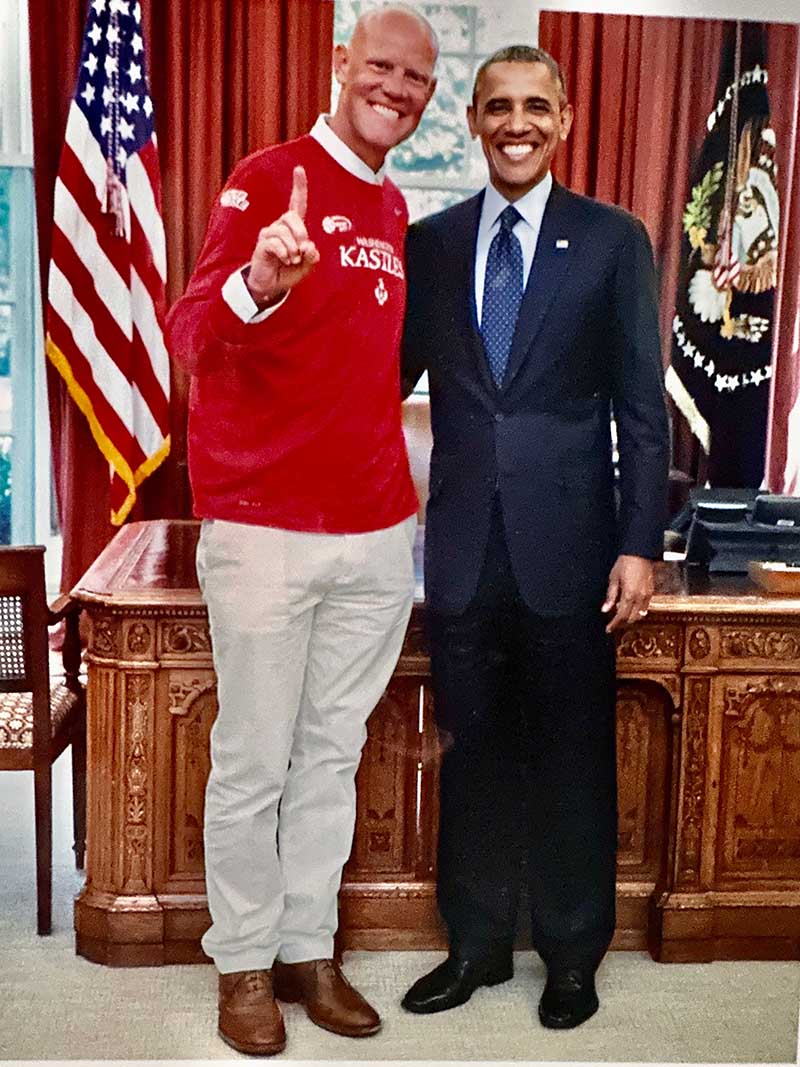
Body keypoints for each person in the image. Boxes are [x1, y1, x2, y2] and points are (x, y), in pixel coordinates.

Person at [165, 6, 437, 1057]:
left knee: (332, 756)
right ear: (339, 64)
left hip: (374, 530)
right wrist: (259, 280)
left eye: (416, 79)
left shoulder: (394, 205)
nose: (396, 89)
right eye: (381, 67)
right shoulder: (269, 177)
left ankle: (305, 948)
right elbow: (192, 333)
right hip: (264, 526)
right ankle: (242, 960)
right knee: (253, 761)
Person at [400, 45, 670, 1029]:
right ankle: (473, 944)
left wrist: (639, 542)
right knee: (472, 753)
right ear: (472, 120)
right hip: (463, 548)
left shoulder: (612, 239)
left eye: (535, 107)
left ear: (563, 121)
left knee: (570, 757)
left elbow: (641, 407)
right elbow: (372, 384)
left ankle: (569, 954)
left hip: (574, 550)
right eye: (498, 107)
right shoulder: (429, 244)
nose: (516, 124)